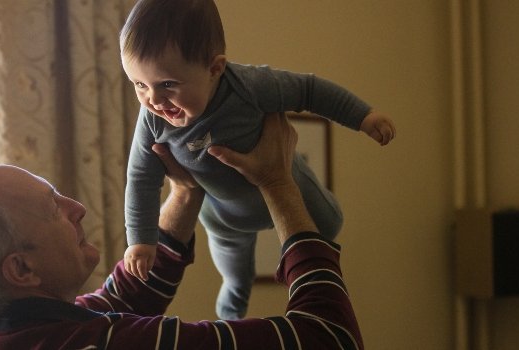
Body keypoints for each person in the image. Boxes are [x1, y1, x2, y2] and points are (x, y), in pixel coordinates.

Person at [0, 113, 363, 349]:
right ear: (21, 269)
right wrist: (278, 183)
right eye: (53, 208)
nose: (77, 208)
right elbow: (329, 339)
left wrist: (185, 191)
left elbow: (122, 298)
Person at [120, 0, 396, 320]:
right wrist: (140, 240)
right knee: (236, 277)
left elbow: (309, 90)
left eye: (167, 84)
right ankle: (231, 318)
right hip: (225, 216)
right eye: (139, 84)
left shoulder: (249, 86)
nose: (153, 100)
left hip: (288, 181)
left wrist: (363, 116)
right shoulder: (153, 120)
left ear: (215, 68)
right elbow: (141, 178)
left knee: (330, 225)